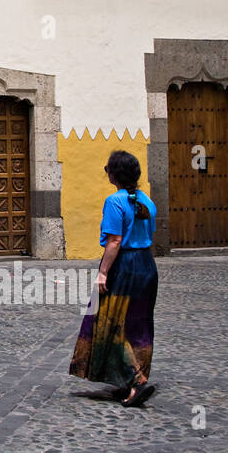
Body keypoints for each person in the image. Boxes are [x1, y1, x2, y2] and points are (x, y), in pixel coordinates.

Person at [69, 149, 159, 407]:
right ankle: (127, 381)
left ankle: (136, 381)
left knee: (110, 322)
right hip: (146, 265)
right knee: (139, 324)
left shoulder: (115, 202)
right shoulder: (147, 202)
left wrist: (102, 273)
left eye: (108, 169)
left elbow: (115, 241)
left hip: (125, 266)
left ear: (114, 175)